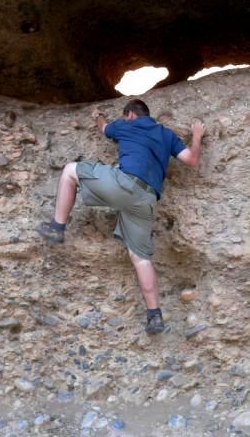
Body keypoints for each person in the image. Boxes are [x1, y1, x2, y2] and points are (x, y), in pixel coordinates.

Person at [37, 98, 206, 334]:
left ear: (130, 115)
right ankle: (154, 315)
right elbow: (191, 159)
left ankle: (57, 227)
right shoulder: (166, 135)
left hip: (124, 184)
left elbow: (105, 129)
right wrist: (197, 135)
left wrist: (98, 116)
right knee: (140, 258)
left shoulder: (127, 125)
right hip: (147, 199)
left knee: (69, 171)